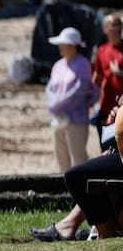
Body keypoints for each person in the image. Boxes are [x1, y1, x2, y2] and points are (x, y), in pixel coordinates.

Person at [45, 27, 95, 171]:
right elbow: (50, 88)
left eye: (64, 44)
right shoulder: (58, 65)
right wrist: (53, 106)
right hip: (57, 119)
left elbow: (80, 91)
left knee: (78, 158)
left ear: (73, 46)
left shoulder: (83, 64)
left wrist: (59, 106)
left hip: (76, 119)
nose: (60, 47)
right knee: (61, 157)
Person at [90, 13, 123, 143]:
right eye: (114, 25)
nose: (118, 28)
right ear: (105, 29)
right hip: (106, 107)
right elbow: (97, 76)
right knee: (106, 145)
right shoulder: (101, 50)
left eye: (120, 24)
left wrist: (120, 73)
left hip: (121, 108)